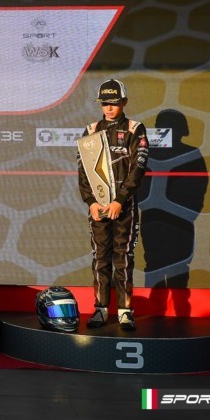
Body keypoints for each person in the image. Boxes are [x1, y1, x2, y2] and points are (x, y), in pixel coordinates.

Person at [77, 79, 148, 330]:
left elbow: (138, 168)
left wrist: (119, 200)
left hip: (124, 207)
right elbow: (84, 171)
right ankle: (100, 309)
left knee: (123, 258)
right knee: (100, 258)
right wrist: (90, 202)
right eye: (104, 103)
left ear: (124, 102)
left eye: (114, 103)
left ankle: (125, 311)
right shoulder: (91, 130)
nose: (109, 108)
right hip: (98, 208)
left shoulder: (135, 129)